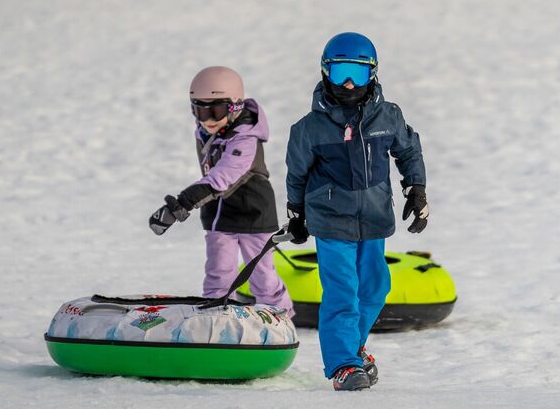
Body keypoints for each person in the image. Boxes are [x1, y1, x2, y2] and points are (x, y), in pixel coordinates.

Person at [284, 32, 429, 391]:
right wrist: (296, 214)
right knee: (342, 292)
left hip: (375, 217)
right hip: (331, 222)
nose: (348, 83)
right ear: (325, 72)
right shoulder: (309, 128)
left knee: (376, 287)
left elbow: (408, 151)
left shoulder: (388, 116)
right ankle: (343, 364)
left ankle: (354, 347)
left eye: (358, 73)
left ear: (373, 74)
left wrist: (416, 189)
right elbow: (297, 174)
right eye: (340, 73)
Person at [148, 66, 294, 318]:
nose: (207, 120)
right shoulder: (206, 131)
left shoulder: (246, 138)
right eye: (200, 110)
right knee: (218, 273)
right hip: (218, 213)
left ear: (235, 107)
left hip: (253, 212)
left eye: (215, 111)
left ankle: (280, 317)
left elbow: (223, 177)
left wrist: (181, 204)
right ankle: (216, 318)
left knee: (261, 275)